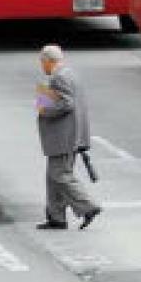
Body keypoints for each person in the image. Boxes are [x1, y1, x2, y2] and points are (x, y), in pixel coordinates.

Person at [36, 45, 100, 230]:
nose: (42, 66)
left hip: (63, 137)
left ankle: (88, 207)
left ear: (48, 61)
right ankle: (56, 217)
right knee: (52, 176)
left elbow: (67, 104)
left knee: (60, 175)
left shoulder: (59, 77)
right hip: (72, 134)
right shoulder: (70, 73)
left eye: (42, 62)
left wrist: (44, 110)